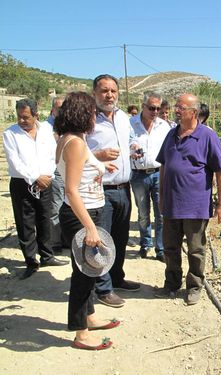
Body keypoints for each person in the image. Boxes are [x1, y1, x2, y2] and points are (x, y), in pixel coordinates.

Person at [54, 91, 119, 351]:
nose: (95, 116)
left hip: (85, 212)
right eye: (92, 112)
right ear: (83, 113)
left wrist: (102, 167)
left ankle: (89, 317)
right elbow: (71, 190)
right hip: (82, 216)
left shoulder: (71, 139)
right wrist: (90, 227)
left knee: (90, 271)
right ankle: (80, 333)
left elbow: (80, 173)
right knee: (83, 274)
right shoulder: (76, 143)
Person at [156, 93, 221, 305]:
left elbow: (220, 172)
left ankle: (195, 286)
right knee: (170, 247)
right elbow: (164, 167)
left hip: (195, 206)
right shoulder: (171, 135)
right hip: (171, 203)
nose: (176, 110)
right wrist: (162, 197)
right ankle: (171, 284)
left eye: (181, 107)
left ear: (193, 112)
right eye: (176, 106)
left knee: (196, 249)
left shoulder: (207, 136)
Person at [86, 74, 140, 308]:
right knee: (102, 240)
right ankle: (103, 287)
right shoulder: (87, 119)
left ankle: (116, 277)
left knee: (119, 237)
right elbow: (72, 151)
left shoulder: (123, 117)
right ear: (94, 94)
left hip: (123, 188)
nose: (109, 95)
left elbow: (130, 139)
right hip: (100, 190)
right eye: (104, 91)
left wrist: (134, 146)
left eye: (113, 91)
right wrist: (98, 156)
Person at [3, 99, 68, 279]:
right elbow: (15, 162)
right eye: (19, 117)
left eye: (26, 117)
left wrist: (46, 176)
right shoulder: (10, 134)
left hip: (45, 182)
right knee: (26, 224)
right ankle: (31, 261)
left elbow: (52, 154)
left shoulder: (46, 130)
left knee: (44, 219)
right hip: (22, 184)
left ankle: (47, 256)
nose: (22, 121)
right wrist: (35, 177)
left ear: (35, 115)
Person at [130, 92, 175, 262]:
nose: (155, 111)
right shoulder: (130, 124)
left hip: (159, 173)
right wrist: (131, 150)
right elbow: (125, 145)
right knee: (142, 213)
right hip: (138, 175)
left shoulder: (164, 126)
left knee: (161, 213)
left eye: (158, 108)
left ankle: (160, 248)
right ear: (143, 106)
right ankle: (145, 243)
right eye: (152, 108)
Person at [44, 96, 66, 253]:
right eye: (59, 108)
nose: (62, 111)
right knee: (56, 205)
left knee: (68, 204)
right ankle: (55, 241)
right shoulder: (46, 127)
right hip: (55, 169)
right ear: (53, 109)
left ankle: (64, 237)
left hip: (68, 167)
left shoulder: (65, 124)